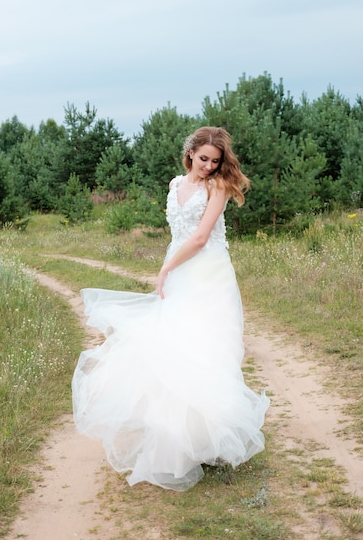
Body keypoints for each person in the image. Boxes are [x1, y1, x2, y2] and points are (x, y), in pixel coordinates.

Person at [72, 126, 270, 491]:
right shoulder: (175, 184)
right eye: (204, 158)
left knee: (205, 348)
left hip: (208, 274)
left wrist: (164, 269)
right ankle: (178, 440)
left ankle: (205, 438)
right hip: (179, 270)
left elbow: (198, 238)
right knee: (174, 345)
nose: (209, 166)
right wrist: (170, 268)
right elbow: (179, 233)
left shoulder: (219, 187)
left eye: (216, 161)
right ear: (190, 152)